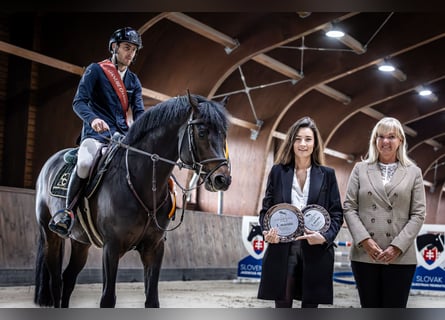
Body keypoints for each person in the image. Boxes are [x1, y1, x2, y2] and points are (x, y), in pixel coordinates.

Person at [49, 27, 146, 237]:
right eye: (127, 48)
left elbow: (139, 113)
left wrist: (143, 134)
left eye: (134, 50)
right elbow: (79, 102)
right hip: (96, 136)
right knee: (84, 163)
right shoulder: (95, 70)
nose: (131, 53)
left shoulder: (133, 81)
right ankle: (68, 213)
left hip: (121, 137)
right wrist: (93, 120)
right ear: (114, 47)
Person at [257, 116, 344, 308]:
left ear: (315, 144)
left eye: (308, 139)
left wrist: (324, 237)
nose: (302, 144)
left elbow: (337, 214)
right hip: (282, 248)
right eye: (297, 139)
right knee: (283, 302)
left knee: (310, 306)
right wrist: (266, 232)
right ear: (291, 142)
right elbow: (266, 210)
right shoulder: (278, 172)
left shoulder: (327, 175)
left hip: (315, 250)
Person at [343, 117, 426, 308]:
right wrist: (365, 240)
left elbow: (418, 213)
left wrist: (397, 246)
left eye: (391, 137)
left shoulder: (414, 172)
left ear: (400, 141)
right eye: (380, 136)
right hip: (365, 254)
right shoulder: (360, 169)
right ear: (374, 140)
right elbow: (349, 207)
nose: (385, 141)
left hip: (400, 256)